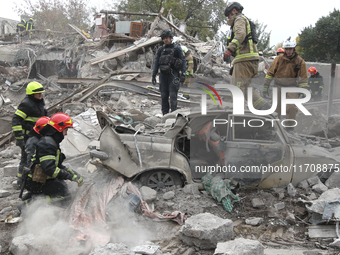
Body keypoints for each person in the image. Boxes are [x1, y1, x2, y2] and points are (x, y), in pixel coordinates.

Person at [21, 113, 83, 209]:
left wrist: (67, 170)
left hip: (43, 179)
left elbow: (54, 164)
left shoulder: (51, 142)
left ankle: (33, 197)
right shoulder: (47, 143)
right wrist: (69, 176)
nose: (66, 134)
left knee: (63, 187)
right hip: (37, 182)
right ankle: (29, 205)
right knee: (66, 197)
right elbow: (49, 169)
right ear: (59, 129)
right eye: (66, 130)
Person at [224, 2, 270, 110]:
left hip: (244, 60)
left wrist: (230, 49)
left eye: (228, 15)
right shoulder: (245, 20)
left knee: (236, 90)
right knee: (245, 88)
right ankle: (265, 108)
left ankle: (238, 118)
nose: (228, 18)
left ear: (234, 11)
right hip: (249, 60)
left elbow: (240, 34)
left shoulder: (239, 19)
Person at [263, 37, 308, 130]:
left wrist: (304, 90)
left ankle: (289, 128)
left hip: (292, 87)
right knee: (275, 108)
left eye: (290, 49)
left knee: (291, 107)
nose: (288, 51)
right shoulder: (278, 59)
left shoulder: (300, 61)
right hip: (278, 86)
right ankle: (275, 128)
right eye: (286, 49)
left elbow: (303, 78)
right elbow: (270, 73)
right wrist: (266, 85)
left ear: (294, 48)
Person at [12, 82, 47, 188]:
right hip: (28, 137)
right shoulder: (26, 104)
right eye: (38, 93)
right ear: (32, 94)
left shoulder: (39, 103)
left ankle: (33, 181)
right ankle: (21, 182)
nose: (40, 95)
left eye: (41, 93)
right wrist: (19, 138)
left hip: (37, 136)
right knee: (26, 160)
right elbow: (16, 120)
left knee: (34, 159)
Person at [152, 29, 186, 115]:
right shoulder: (160, 49)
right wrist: (154, 74)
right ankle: (165, 115)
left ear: (171, 38)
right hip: (163, 75)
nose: (165, 40)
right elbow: (156, 62)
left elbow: (183, 61)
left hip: (173, 75)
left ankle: (173, 115)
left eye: (166, 38)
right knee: (164, 96)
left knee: (173, 95)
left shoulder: (177, 48)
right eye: (163, 38)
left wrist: (183, 73)